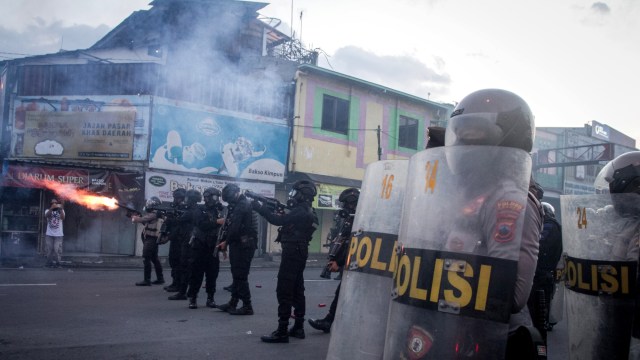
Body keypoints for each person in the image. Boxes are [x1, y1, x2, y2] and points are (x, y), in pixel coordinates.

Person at [255, 180, 319, 343]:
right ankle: (298, 327)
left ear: (303, 195)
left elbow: (277, 221)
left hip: (293, 252)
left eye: (295, 193)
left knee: (284, 289)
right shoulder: (307, 210)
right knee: (297, 289)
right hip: (298, 250)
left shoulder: (300, 211)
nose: (293, 196)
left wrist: (260, 208)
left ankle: (282, 330)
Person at [308, 187, 359, 334]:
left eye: (346, 204)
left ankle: (330, 321)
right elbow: (342, 241)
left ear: (352, 203)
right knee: (343, 293)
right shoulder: (351, 219)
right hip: (351, 265)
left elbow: (351, 245)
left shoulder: (358, 220)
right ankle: (331, 321)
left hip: (355, 265)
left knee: (345, 294)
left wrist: (340, 262)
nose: (344, 208)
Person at [216, 183, 258, 315]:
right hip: (239, 244)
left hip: (244, 245)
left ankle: (247, 306)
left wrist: (226, 242)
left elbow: (234, 228)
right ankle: (233, 302)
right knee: (236, 275)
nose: (229, 202)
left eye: (230, 199)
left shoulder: (242, 205)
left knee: (240, 275)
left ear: (235, 194)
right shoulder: (237, 204)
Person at [527, 201, 563, 340]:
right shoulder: (554, 226)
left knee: (539, 301)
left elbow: (539, 244)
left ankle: (541, 327)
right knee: (543, 299)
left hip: (542, 271)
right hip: (547, 271)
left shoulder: (550, 226)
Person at [186, 187, 224, 309]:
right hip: (199, 246)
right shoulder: (199, 209)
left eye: (217, 197)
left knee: (212, 274)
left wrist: (224, 247)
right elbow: (201, 225)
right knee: (196, 273)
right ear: (207, 197)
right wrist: (217, 222)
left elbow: (223, 229)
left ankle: (210, 298)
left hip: (213, 246)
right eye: (214, 197)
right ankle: (193, 298)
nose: (216, 199)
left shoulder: (219, 210)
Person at [168, 189, 202, 301]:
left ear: (191, 199)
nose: (185, 200)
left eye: (187, 198)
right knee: (187, 268)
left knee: (185, 268)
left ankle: (183, 292)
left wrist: (169, 216)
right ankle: (187, 292)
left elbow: (178, 221)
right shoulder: (193, 210)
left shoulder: (193, 211)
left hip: (189, 242)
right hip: (188, 241)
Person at [130, 197, 165, 286]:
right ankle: (160, 279)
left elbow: (141, 220)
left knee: (146, 258)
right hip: (152, 239)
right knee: (154, 259)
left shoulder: (154, 214)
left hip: (151, 239)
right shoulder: (157, 214)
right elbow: (147, 223)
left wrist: (134, 217)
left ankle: (147, 280)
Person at [164, 188, 187, 292]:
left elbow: (180, 224)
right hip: (174, 239)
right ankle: (175, 282)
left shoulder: (185, 209)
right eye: (176, 198)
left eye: (179, 198)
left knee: (179, 263)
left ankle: (179, 284)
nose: (177, 200)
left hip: (181, 239)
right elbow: (170, 223)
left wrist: (172, 219)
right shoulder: (175, 208)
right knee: (173, 261)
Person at [44, 198, 65, 268]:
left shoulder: (61, 210)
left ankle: (58, 263)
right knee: (49, 250)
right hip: (49, 234)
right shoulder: (47, 210)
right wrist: (51, 208)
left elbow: (63, 217)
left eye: (55, 203)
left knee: (57, 250)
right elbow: (46, 215)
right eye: (52, 203)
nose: (54, 204)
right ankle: (48, 263)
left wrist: (61, 209)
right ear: (50, 204)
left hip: (58, 235)